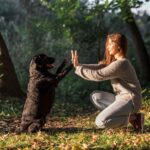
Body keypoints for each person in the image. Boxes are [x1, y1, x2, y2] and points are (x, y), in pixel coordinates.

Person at [71, 33, 144, 132]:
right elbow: (99, 67)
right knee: (96, 97)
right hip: (121, 99)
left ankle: (134, 118)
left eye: (110, 44)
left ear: (117, 45)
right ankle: (131, 116)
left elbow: (98, 74)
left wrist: (79, 69)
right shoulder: (116, 62)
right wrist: (79, 65)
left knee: (101, 122)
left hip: (131, 101)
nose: (108, 47)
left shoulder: (122, 63)